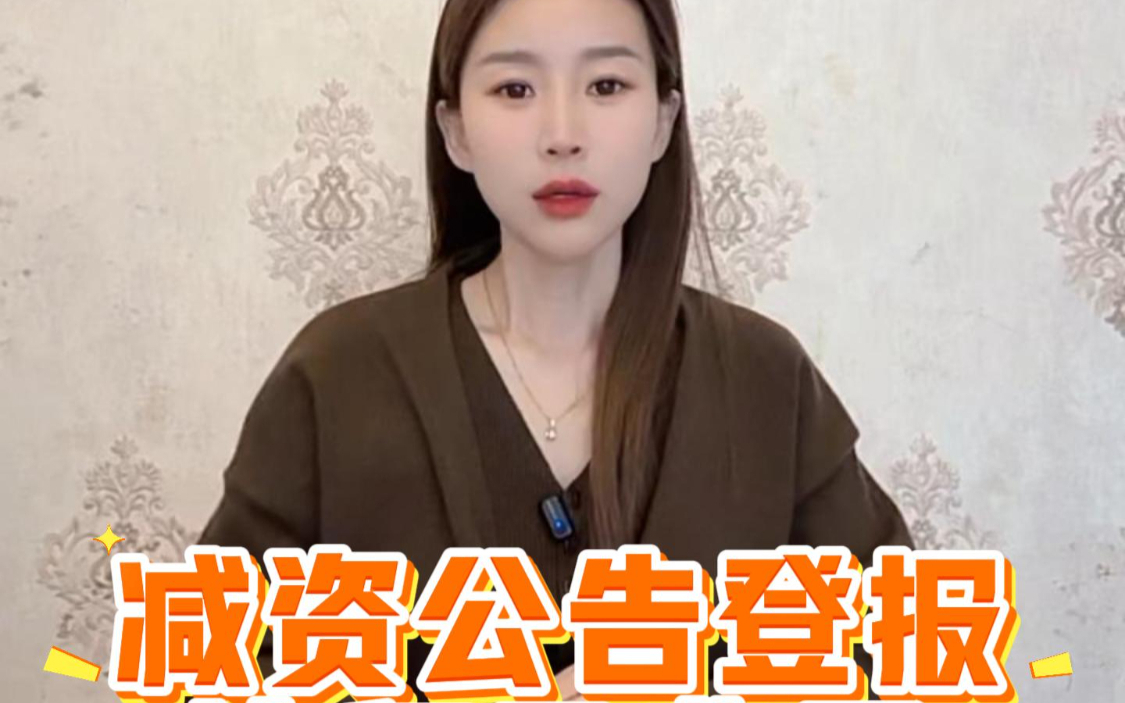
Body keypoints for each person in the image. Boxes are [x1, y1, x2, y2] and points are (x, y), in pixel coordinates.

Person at [197, 0, 914, 699]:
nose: (562, 134)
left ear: (663, 120)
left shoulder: (764, 380)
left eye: (606, 85)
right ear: (455, 130)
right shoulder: (337, 375)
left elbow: (899, 658)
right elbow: (208, 669)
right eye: (515, 89)